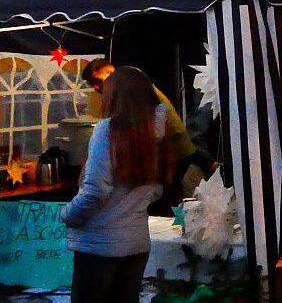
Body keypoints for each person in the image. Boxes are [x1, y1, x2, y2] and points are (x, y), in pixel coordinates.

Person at [61, 67, 173, 303]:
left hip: (97, 246)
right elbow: (157, 189)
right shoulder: (157, 134)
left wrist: (67, 215)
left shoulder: (106, 131)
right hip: (134, 244)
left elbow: (93, 191)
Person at [82, 58, 212, 202]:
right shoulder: (128, 83)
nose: (95, 88)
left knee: (161, 200)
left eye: (97, 81)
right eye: (92, 84)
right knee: (164, 198)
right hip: (170, 149)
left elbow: (146, 122)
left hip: (173, 149)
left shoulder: (130, 84)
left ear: (110, 72)